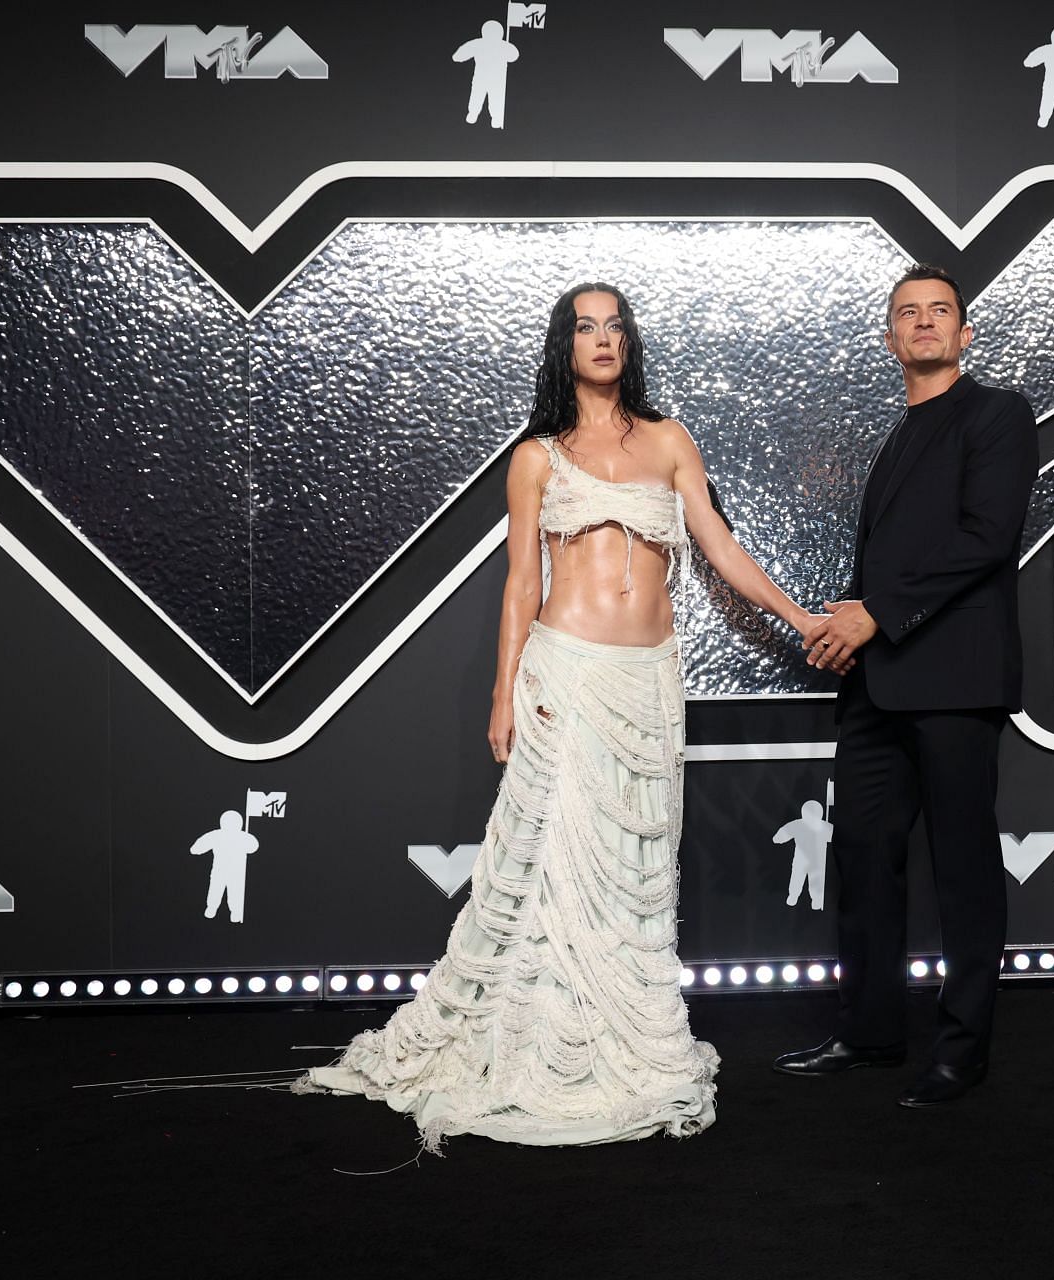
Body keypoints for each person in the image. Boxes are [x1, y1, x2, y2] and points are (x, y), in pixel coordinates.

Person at [296, 283, 820, 1150]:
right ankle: (543, 1039)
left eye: (616, 326)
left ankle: (618, 1034)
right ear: (564, 346)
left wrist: (802, 621)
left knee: (630, 860)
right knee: (555, 863)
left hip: (649, 681)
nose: (604, 339)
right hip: (566, 674)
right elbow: (520, 583)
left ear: (630, 344)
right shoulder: (538, 455)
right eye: (587, 327)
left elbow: (721, 548)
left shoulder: (668, 440)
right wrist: (505, 689)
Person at [776, 264, 1037, 1107]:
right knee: (863, 859)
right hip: (877, 689)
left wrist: (875, 614)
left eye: (940, 312)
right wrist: (857, 627)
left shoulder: (997, 414)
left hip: (957, 684)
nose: (924, 323)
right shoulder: (895, 436)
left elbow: (986, 539)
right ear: (890, 339)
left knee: (962, 871)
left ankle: (965, 1049)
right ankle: (871, 1030)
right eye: (907, 314)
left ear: (965, 335)